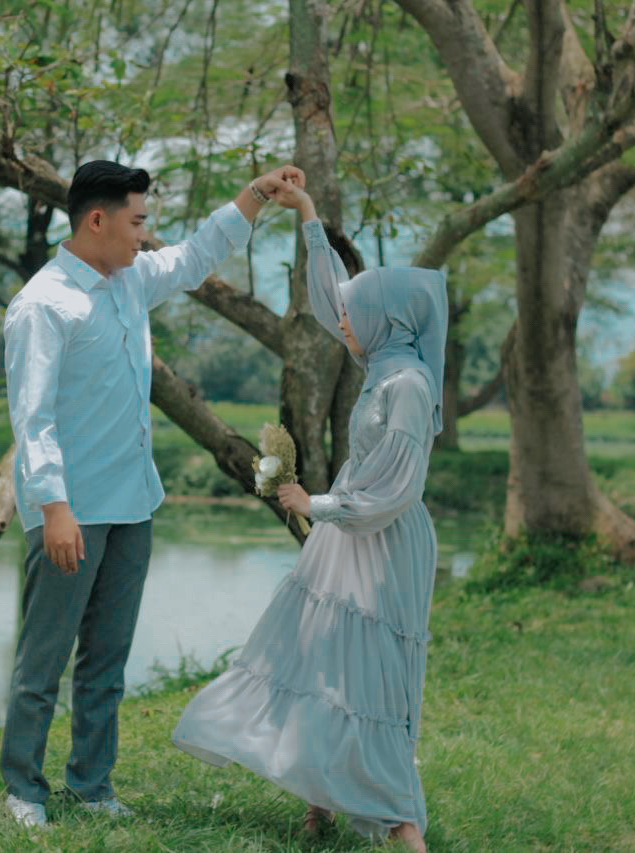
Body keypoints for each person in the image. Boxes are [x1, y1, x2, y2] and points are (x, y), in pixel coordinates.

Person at [0, 159, 305, 829]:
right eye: (137, 222)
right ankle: (23, 790)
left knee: (106, 660)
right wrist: (53, 507)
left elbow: (196, 256)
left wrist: (257, 194)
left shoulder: (130, 280)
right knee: (43, 660)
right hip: (70, 510)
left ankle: (92, 785)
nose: (145, 236)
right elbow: (33, 418)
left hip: (132, 502)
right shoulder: (44, 305)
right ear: (97, 220)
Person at [171, 183, 446, 853]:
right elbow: (330, 299)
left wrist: (314, 504)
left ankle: (401, 821)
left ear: (385, 318)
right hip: (347, 538)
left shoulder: (407, 384)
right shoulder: (380, 359)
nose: (342, 321)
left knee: (372, 674)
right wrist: (308, 217)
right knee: (319, 652)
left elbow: (397, 489)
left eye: (356, 313)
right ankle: (319, 797)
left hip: (381, 541)